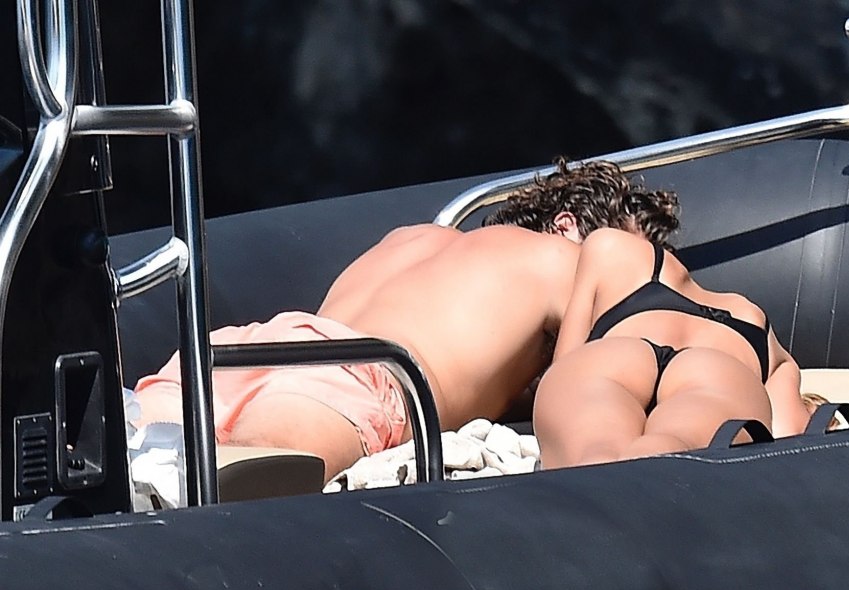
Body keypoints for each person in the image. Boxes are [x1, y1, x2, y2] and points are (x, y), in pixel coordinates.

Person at [134, 158, 679, 480]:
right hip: (363, 375)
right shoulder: (571, 263)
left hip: (258, 345)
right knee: (242, 495)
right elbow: (578, 386)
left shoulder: (417, 238)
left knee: (138, 465)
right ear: (566, 226)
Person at [532, 220, 814, 469]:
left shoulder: (612, 247)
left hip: (620, 353)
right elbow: (789, 437)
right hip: (719, 364)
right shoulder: (757, 322)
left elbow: (565, 361)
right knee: (668, 458)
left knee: (594, 458)